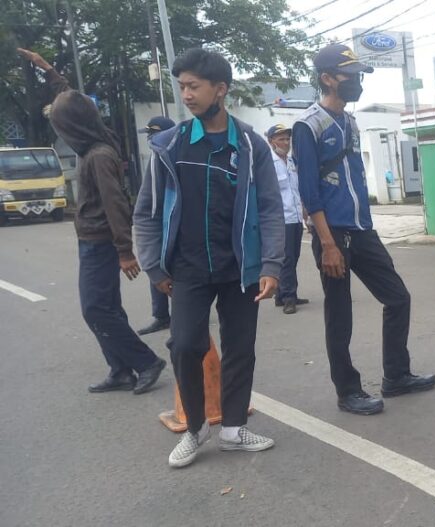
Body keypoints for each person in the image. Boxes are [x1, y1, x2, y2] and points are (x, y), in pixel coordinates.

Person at [134, 48, 284, 468]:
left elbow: (270, 208)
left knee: (240, 348)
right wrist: (153, 264)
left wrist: (271, 265)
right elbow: (146, 211)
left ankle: (234, 429)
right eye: (182, 86)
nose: (186, 95)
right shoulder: (171, 145)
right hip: (188, 269)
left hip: (240, 268)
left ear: (220, 89)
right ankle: (197, 428)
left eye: (194, 86)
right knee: (185, 345)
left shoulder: (250, 145)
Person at [293, 44, 435, 417]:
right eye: (350, 75)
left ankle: (397, 376)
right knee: (340, 316)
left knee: (398, 298)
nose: (357, 82)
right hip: (333, 235)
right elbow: (309, 191)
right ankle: (348, 391)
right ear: (328, 78)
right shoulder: (308, 125)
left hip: (361, 230)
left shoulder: (350, 121)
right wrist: (327, 244)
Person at [17, 48, 168, 395]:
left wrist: (125, 251)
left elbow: (116, 204)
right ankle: (120, 370)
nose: (60, 128)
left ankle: (146, 362)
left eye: (61, 124)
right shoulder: (95, 140)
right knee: (107, 308)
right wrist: (48, 69)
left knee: (96, 310)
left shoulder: (98, 156)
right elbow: (72, 100)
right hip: (93, 241)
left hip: (100, 243)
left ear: (73, 126)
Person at [136, 115, 177, 335]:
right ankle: (161, 316)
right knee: (156, 272)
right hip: (158, 228)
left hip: (174, 230)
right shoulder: (155, 157)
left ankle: (183, 313)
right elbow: (146, 209)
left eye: (154, 133)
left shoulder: (173, 156)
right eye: (149, 134)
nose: (150, 138)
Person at [267, 124, 309, 314]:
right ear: (271, 141)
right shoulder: (268, 164)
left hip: (295, 218)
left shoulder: (292, 162)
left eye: (287, 139)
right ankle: (289, 298)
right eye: (281, 139)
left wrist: (304, 211)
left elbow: (296, 190)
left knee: (294, 256)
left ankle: (281, 295)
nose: (285, 143)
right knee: (287, 259)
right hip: (280, 219)